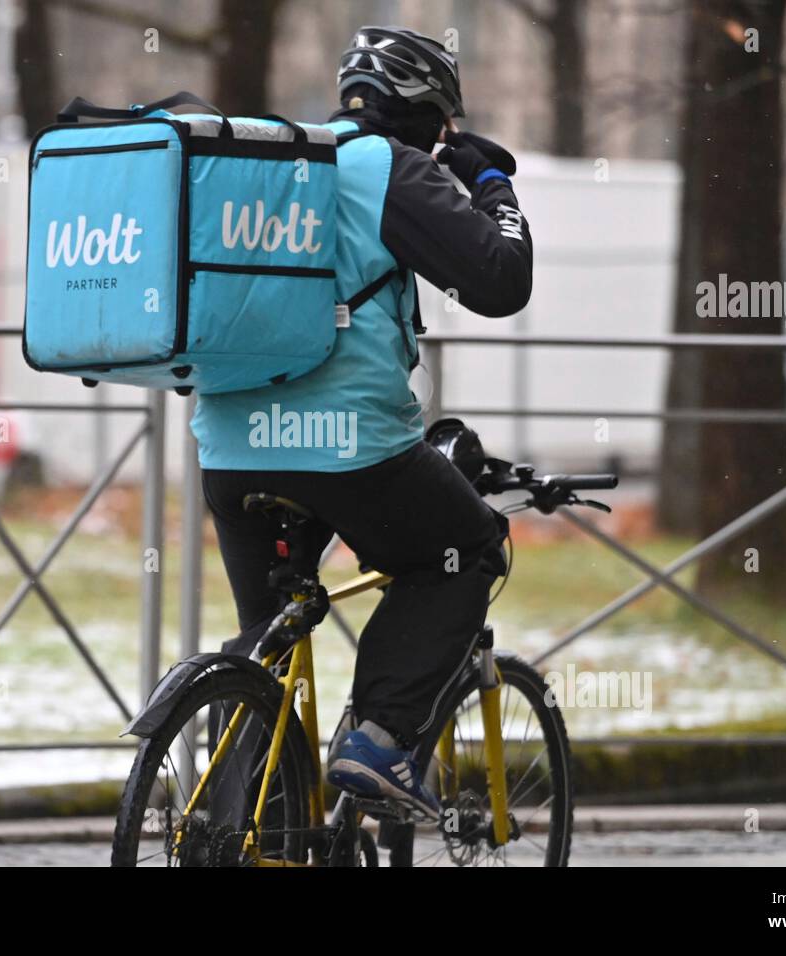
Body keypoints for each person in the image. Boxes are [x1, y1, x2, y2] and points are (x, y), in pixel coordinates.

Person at [189, 25, 534, 819]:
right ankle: (379, 743)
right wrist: (489, 183)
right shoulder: (390, 167)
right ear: (425, 114)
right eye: (443, 128)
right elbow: (500, 279)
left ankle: (246, 826)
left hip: (234, 450)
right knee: (463, 550)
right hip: (349, 449)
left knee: (267, 634)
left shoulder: (279, 163)